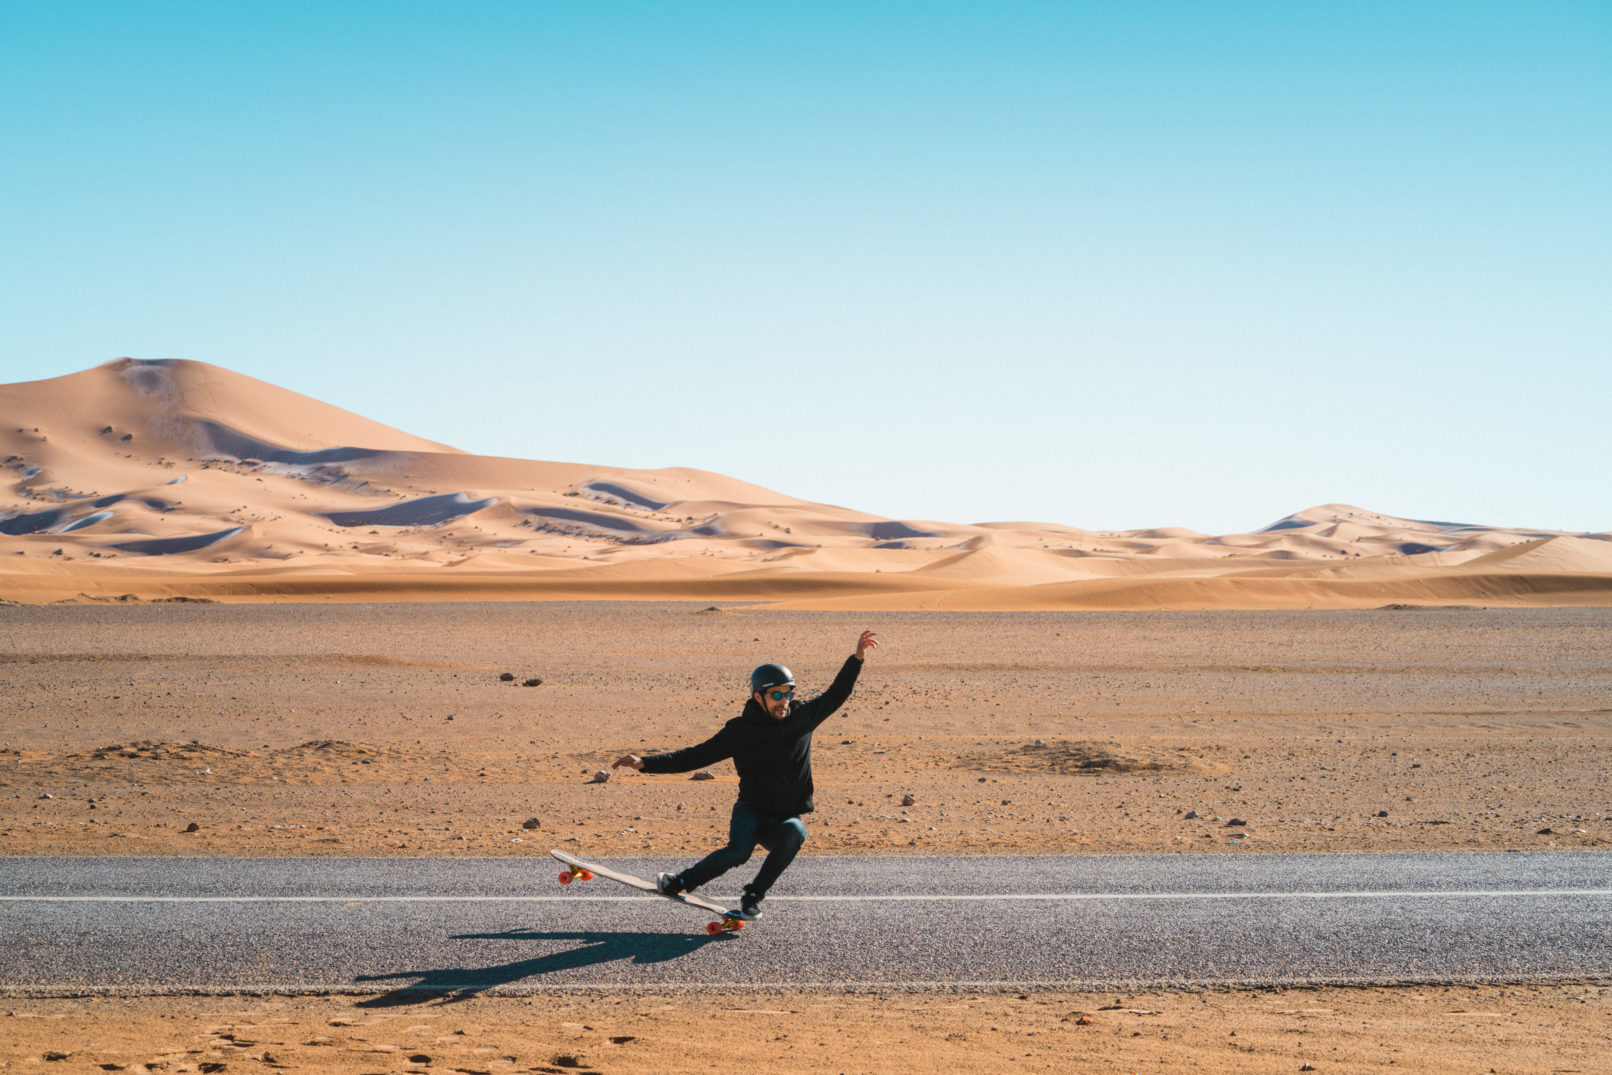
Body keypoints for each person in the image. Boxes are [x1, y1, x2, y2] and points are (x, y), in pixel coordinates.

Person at [612, 629, 878, 921]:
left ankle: (753, 896)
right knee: (738, 853)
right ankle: (680, 882)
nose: (784, 700)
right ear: (758, 696)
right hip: (751, 811)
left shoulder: (803, 717)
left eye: (789, 693)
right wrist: (645, 764)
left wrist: (857, 658)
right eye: (777, 694)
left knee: (796, 832)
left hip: (783, 818)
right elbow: (696, 756)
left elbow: (837, 693)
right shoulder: (741, 731)